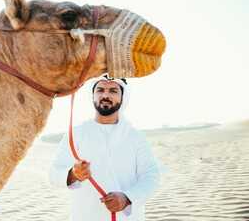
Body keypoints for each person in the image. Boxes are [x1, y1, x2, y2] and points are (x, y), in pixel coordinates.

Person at [48, 74, 163, 221]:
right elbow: (53, 173)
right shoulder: (76, 134)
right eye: (100, 90)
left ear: (123, 98)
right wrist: (72, 174)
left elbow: (151, 177)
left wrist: (127, 198)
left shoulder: (136, 137)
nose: (105, 95)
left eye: (113, 91)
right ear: (93, 96)